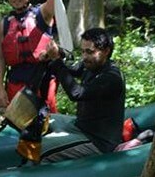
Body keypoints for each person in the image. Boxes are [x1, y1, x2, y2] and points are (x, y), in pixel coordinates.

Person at [0, 0, 60, 163]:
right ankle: (27, 162)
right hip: (16, 81)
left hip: (41, 78)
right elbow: (1, 57)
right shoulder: (5, 22)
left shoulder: (42, 14)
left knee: (46, 122)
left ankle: (52, 158)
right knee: (21, 126)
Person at [39, 28, 125, 162]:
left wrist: (56, 59)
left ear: (106, 51)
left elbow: (76, 93)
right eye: (83, 51)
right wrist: (54, 56)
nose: (84, 56)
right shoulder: (91, 65)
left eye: (89, 52)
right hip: (81, 126)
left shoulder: (111, 77)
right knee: (41, 119)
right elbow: (70, 69)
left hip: (98, 141)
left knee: (40, 152)